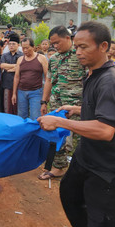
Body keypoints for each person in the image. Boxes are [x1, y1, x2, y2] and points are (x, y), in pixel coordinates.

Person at [37, 21, 115, 227]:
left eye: (83, 47)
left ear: (103, 46)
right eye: (76, 46)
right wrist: (77, 109)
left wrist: (60, 122)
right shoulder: (94, 74)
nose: (78, 52)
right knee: (69, 194)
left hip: (108, 168)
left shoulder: (110, 80)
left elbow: (104, 130)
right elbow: (99, 110)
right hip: (87, 157)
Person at [39, 26, 85, 180]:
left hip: (77, 106)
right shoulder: (53, 59)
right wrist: (44, 102)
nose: (55, 46)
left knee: (80, 139)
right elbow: (49, 81)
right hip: (57, 106)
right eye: (53, 44)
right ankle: (59, 167)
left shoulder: (81, 56)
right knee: (57, 135)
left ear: (68, 38)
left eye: (57, 42)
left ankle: (81, 171)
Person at [12, 38, 48, 120]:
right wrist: (14, 93)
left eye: (27, 48)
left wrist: (46, 96)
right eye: (23, 48)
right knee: (21, 117)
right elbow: (17, 77)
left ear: (33, 47)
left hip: (36, 92)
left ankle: (35, 133)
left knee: (35, 117)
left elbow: (47, 77)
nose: (25, 50)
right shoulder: (20, 59)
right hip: (21, 92)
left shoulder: (41, 58)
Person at [0, 33, 23, 115]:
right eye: (10, 44)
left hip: (19, 85)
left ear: (18, 45)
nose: (11, 46)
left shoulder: (22, 55)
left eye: (13, 44)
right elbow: (2, 65)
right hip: (7, 83)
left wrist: (10, 68)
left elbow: (21, 67)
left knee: (18, 106)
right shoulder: (4, 55)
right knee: (7, 106)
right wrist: (15, 66)